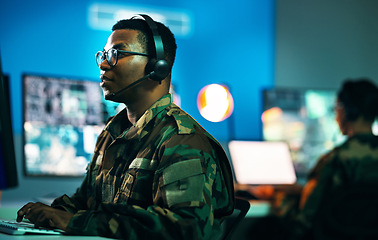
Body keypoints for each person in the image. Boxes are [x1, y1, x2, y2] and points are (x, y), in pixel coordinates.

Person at [16, 14, 235, 239]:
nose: (103, 64)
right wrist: (54, 214)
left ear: (157, 67)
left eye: (116, 54)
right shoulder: (111, 133)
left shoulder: (181, 140)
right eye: (103, 55)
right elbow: (86, 203)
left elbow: (185, 228)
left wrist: (76, 221)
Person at [290, 78, 378, 239]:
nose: (336, 114)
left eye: (337, 107)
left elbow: (305, 219)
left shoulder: (335, 159)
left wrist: (279, 198)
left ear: (347, 110)